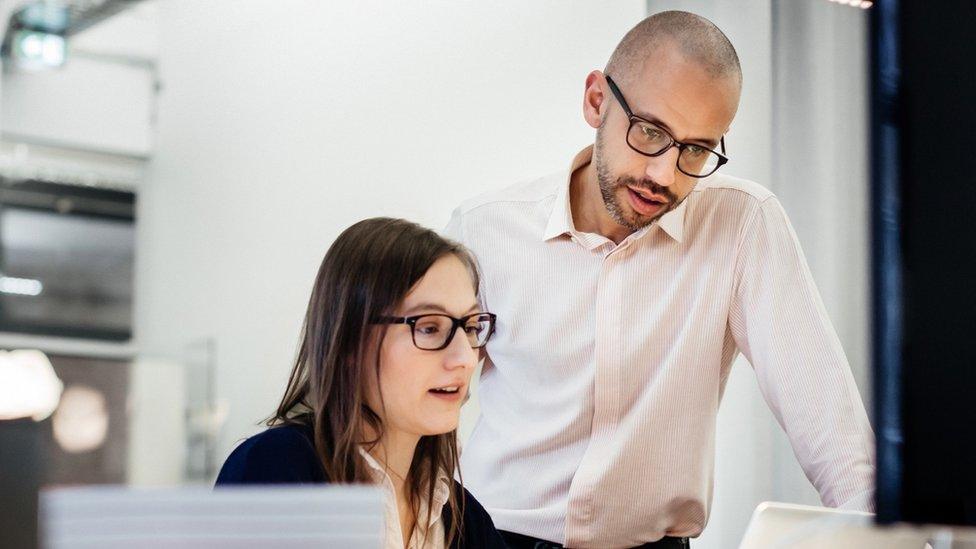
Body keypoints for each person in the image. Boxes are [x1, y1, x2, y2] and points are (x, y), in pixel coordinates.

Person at [445, 10, 875, 549]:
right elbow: (412, 406)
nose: (663, 176)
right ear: (596, 100)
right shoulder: (486, 228)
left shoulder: (743, 225)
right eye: (650, 131)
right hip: (490, 538)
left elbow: (834, 434)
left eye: (696, 149)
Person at [216, 218, 507, 549]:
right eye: (429, 328)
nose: (466, 358)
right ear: (351, 340)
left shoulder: (461, 515)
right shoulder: (274, 469)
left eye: (469, 327)